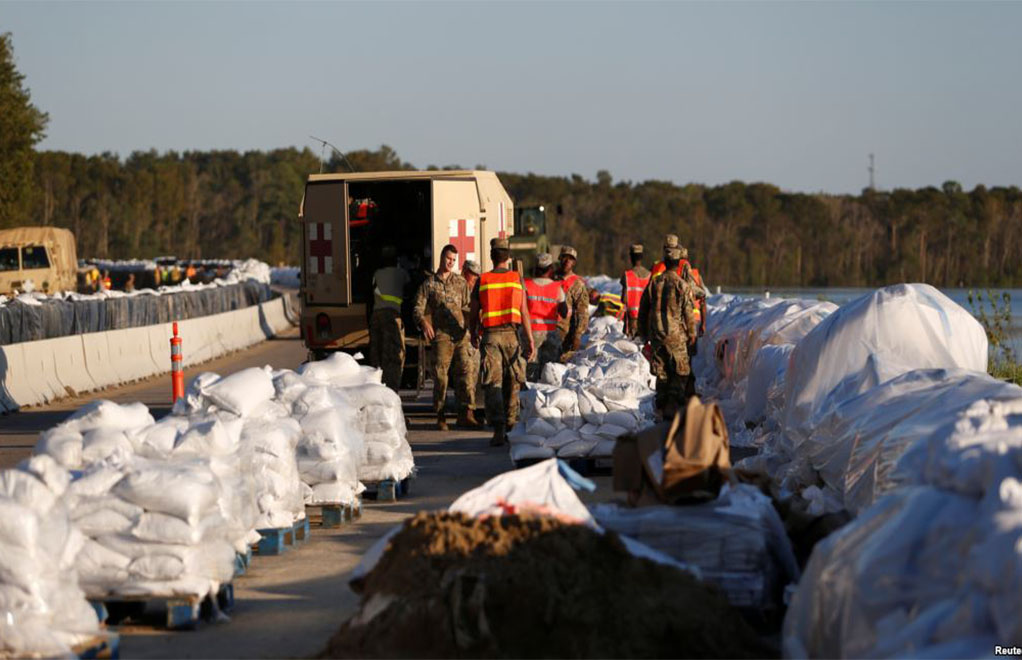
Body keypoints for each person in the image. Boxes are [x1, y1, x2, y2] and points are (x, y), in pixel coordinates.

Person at [469, 238, 534, 446]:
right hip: (511, 336)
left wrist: (472, 332)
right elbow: (524, 311)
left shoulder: (483, 279)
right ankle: (512, 423)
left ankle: (498, 430)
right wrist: (530, 339)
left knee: (492, 382)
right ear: (508, 256)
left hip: (490, 336)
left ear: (491, 255)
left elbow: (473, 311)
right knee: (514, 380)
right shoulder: (517, 278)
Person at [413, 243, 478, 431]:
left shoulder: (460, 283)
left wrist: (473, 325)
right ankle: (440, 415)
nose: (451, 263)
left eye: (454, 260)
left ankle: (467, 414)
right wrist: (424, 322)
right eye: (448, 259)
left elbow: (468, 307)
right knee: (441, 377)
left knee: (466, 373)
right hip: (441, 337)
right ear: (442, 258)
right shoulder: (429, 284)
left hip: (460, 336)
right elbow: (417, 307)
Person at [637, 243, 698, 421]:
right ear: (679, 263)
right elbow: (688, 313)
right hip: (676, 336)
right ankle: (673, 401)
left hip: (657, 335)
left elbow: (643, 310)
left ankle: (662, 406)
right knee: (681, 371)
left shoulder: (654, 283)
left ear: (664, 261)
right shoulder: (682, 285)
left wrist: (643, 334)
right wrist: (692, 334)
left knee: (661, 373)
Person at [370, 245, 411, 392]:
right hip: (392, 317)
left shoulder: (377, 273)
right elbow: (409, 286)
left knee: (376, 353)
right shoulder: (401, 273)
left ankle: (375, 387)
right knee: (395, 355)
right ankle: (391, 392)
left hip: (376, 316)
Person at [524, 253, 567, 381]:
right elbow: (564, 312)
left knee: (530, 372)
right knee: (549, 372)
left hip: (530, 334)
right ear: (550, 269)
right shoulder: (556, 288)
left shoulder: (526, 285)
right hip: (550, 335)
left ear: (535, 268)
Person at [554, 245, 588, 362]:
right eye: (564, 257)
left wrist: (577, 336)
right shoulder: (551, 279)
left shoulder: (578, 284)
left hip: (565, 334)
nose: (567, 261)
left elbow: (582, 313)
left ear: (574, 262)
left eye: (571, 259)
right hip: (547, 330)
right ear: (560, 259)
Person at [620, 244, 651, 337]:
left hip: (632, 320)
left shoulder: (627, 275)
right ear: (642, 257)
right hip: (646, 319)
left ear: (631, 258)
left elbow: (624, 299)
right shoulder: (650, 275)